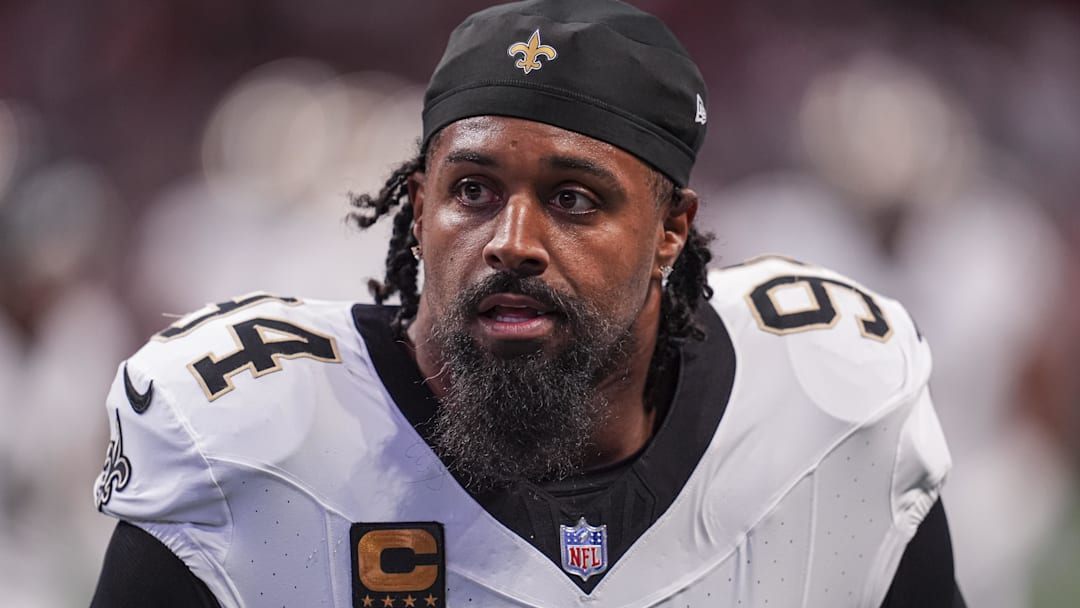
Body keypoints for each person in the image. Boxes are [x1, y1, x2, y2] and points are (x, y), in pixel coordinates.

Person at [88, 1, 965, 606]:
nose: (512, 239)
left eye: (575, 199)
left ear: (670, 229)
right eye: (472, 189)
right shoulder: (248, 433)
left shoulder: (830, 402)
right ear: (419, 203)